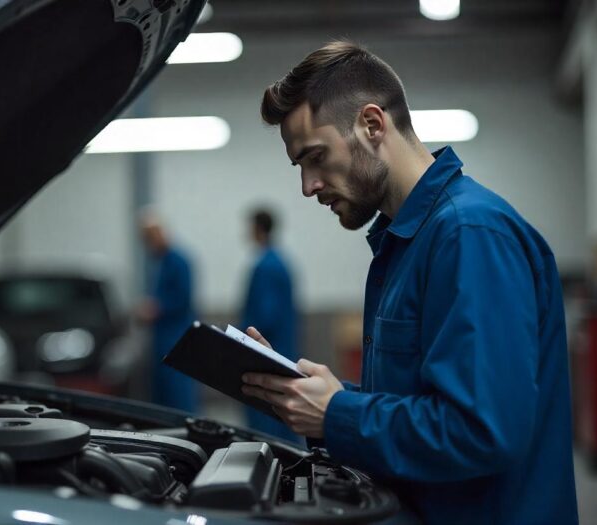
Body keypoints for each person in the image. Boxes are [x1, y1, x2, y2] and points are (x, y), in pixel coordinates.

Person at [240, 41, 578, 524]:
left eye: (316, 156)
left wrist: (337, 414)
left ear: (372, 125)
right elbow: (421, 403)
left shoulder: (468, 234)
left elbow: (482, 429)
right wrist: (320, 398)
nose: (308, 185)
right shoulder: (407, 243)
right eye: (300, 166)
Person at [241, 209, 301, 443]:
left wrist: (241, 334)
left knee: (269, 423)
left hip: (267, 352)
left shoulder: (265, 266)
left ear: (258, 229)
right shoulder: (281, 261)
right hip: (284, 347)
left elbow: (265, 317)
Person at [136, 210, 198, 413]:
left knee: (179, 396)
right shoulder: (161, 262)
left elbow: (183, 298)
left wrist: (156, 309)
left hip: (177, 337)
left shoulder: (178, 261)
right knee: (163, 399)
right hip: (163, 338)